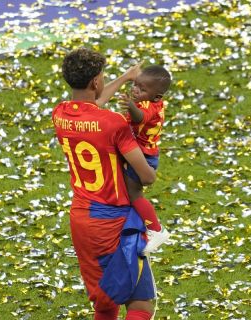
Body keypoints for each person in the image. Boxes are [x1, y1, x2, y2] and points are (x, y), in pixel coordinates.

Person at [52, 47, 156, 320]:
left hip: (82, 221)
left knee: (105, 302)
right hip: (115, 222)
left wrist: (124, 77)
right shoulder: (113, 123)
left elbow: (90, 108)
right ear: (95, 81)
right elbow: (146, 176)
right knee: (141, 305)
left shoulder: (60, 114)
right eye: (102, 76)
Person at [118, 65, 172, 253]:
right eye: (135, 85)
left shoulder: (148, 106)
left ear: (156, 96)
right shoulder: (150, 101)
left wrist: (131, 106)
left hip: (143, 156)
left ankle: (156, 230)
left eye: (142, 89)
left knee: (134, 194)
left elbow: (140, 118)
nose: (135, 90)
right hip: (142, 152)